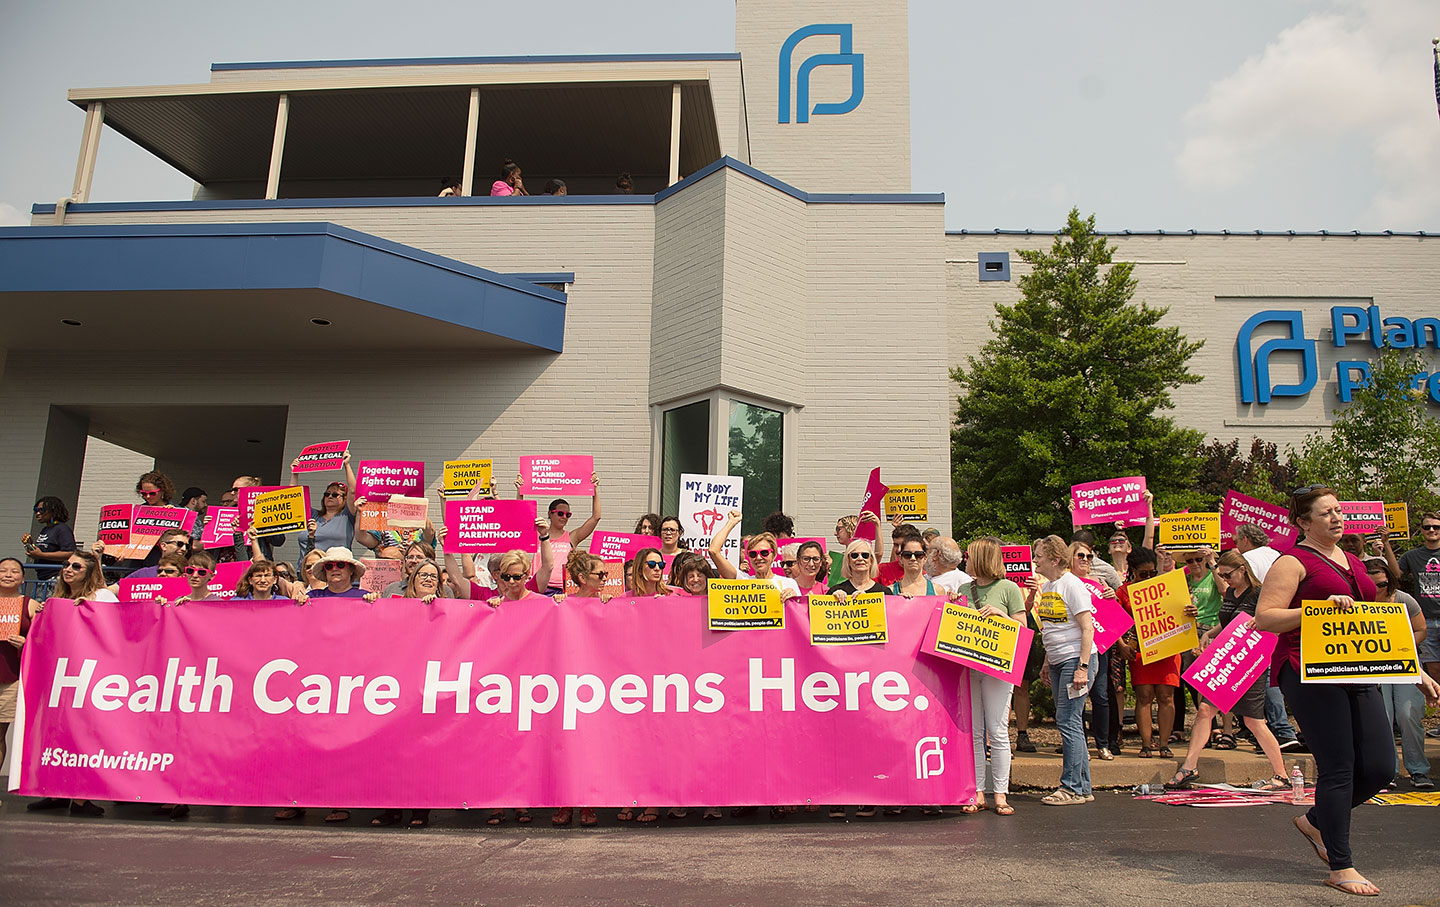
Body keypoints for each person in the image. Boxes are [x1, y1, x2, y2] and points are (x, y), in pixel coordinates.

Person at [1255, 485, 1440, 897]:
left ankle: (1316, 821)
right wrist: (1314, 611)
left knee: (1379, 767)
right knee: (1339, 765)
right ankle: (1341, 865)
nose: (1337, 518)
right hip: (1308, 670)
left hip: (1357, 667)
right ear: (1303, 522)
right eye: (1326, 513)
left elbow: (1379, 624)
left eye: (1339, 511)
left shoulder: (1354, 561)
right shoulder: (1292, 562)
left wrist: (1413, 670)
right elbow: (1263, 619)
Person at [1165, 550, 1290, 792]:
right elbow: (1229, 620)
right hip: (1228, 660)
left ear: (1242, 570)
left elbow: (1276, 621)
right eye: (1221, 575)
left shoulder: (1260, 593)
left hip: (1250, 662)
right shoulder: (1232, 592)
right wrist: (1211, 633)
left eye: (1228, 574)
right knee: (1204, 709)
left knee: (1254, 721)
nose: (1225, 579)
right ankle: (1189, 766)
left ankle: (1281, 774)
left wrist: (1261, 624)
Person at [1026, 534, 1097, 805]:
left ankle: (1071, 787)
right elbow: (1052, 628)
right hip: (1057, 661)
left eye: (1040, 556)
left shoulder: (1072, 585)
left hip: (1074, 660)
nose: (1035, 560)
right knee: (1072, 723)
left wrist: (1082, 668)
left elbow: (1087, 628)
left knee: (1068, 722)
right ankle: (1083, 788)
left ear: (1055, 559)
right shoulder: (1052, 585)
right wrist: (1046, 662)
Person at [960, 537, 1026, 816]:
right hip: (969, 665)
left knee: (997, 730)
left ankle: (1000, 792)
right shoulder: (964, 588)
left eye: (971, 556)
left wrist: (1001, 614)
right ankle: (977, 790)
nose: (967, 560)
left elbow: (1023, 629)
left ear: (983, 558)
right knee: (974, 731)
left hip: (998, 667)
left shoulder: (1009, 589)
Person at [1364, 557, 1431, 789]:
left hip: (1405, 665)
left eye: (1382, 584)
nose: (1377, 590)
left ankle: (1419, 770)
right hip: (1371, 668)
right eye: (1372, 585)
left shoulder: (1404, 600)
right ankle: (1387, 772)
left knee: (1407, 715)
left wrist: (1401, 646)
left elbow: (1421, 629)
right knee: (1382, 717)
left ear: (1389, 581)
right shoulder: (1356, 601)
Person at [1115, 547, 1177, 758]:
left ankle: (1165, 744)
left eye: (1152, 573)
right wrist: (1122, 645)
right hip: (1140, 650)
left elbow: (1179, 608)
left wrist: (1189, 611)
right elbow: (1115, 622)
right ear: (1133, 570)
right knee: (1145, 695)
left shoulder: (1166, 586)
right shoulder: (1123, 592)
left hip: (1167, 647)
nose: (1148, 577)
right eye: (1143, 574)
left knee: (1166, 696)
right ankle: (1146, 745)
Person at [1070, 540, 1115, 760]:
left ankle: (1103, 743)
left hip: (1100, 647)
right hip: (1072, 649)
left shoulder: (1100, 584)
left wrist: (1111, 599)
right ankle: (1080, 744)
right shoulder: (1066, 583)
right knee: (1075, 698)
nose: (1086, 560)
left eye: (1089, 557)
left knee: (1100, 695)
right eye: (1081, 556)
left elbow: (1112, 617)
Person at [518, 474, 601, 594]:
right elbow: (520, 516)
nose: (564, 517)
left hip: (563, 590)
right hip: (538, 587)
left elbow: (596, 517)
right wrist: (521, 490)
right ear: (550, 513)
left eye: (568, 515)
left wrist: (595, 489)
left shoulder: (572, 537)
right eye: (560, 513)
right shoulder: (537, 535)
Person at [1390, 511, 1440, 685]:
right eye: (1427, 527)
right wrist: (1387, 544)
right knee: (1433, 667)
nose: (1432, 530)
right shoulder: (1412, 556)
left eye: (1436, 526)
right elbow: (1396, 574)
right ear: (1421, 530)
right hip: (1425, 620)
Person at [710, 511, 800, 599]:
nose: (758, 557)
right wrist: (731, 522)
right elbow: (713, 551)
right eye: (753, 554)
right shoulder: (743, 581)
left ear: (774, 555)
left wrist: (794, 598)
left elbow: (799, 612)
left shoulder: (789, 583)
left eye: (764, 553)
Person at [296, 451, 360, 561]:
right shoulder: (313, 516)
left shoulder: (346, 516)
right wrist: (294, 473)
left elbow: (353, 491)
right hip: (306, 572)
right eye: (327, 494)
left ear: (344, 498)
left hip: (335, 569)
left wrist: (346, 465)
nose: (330, 496)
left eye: (335, 495)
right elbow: (293, 499)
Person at [1, 557, 33, 771]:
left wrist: (26, 642)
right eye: (3, 570)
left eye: (14, 571)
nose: (8, 574)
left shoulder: (30, 604)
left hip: (9, 677)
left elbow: (44, 639)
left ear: (22, 578)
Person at [23, 496, 76, 583]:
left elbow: (69, 553)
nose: (38, 513)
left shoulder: (62, 529)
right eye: (36, 510)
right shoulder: (45, 529)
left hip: (55, 578)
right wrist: (30, 545)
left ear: (53, 511)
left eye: (41, 510)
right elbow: (42, 551)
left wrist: (41, 555)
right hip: (43, 578)